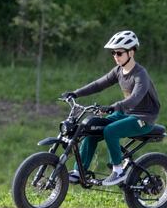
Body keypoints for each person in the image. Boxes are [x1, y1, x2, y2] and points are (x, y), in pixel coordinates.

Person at [62, 30, 160, 187]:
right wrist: (76, 93)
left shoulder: (140, 74)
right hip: (126, 114)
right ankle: (79, 171)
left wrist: (113, 107)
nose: (115, 56)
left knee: (110, 131)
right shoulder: (118, 71)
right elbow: (98, 84)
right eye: (113, 53)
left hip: (144, 118)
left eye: (119, 53)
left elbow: (135, 98)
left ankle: (118, 171)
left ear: (131, 52)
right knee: (90, 129)